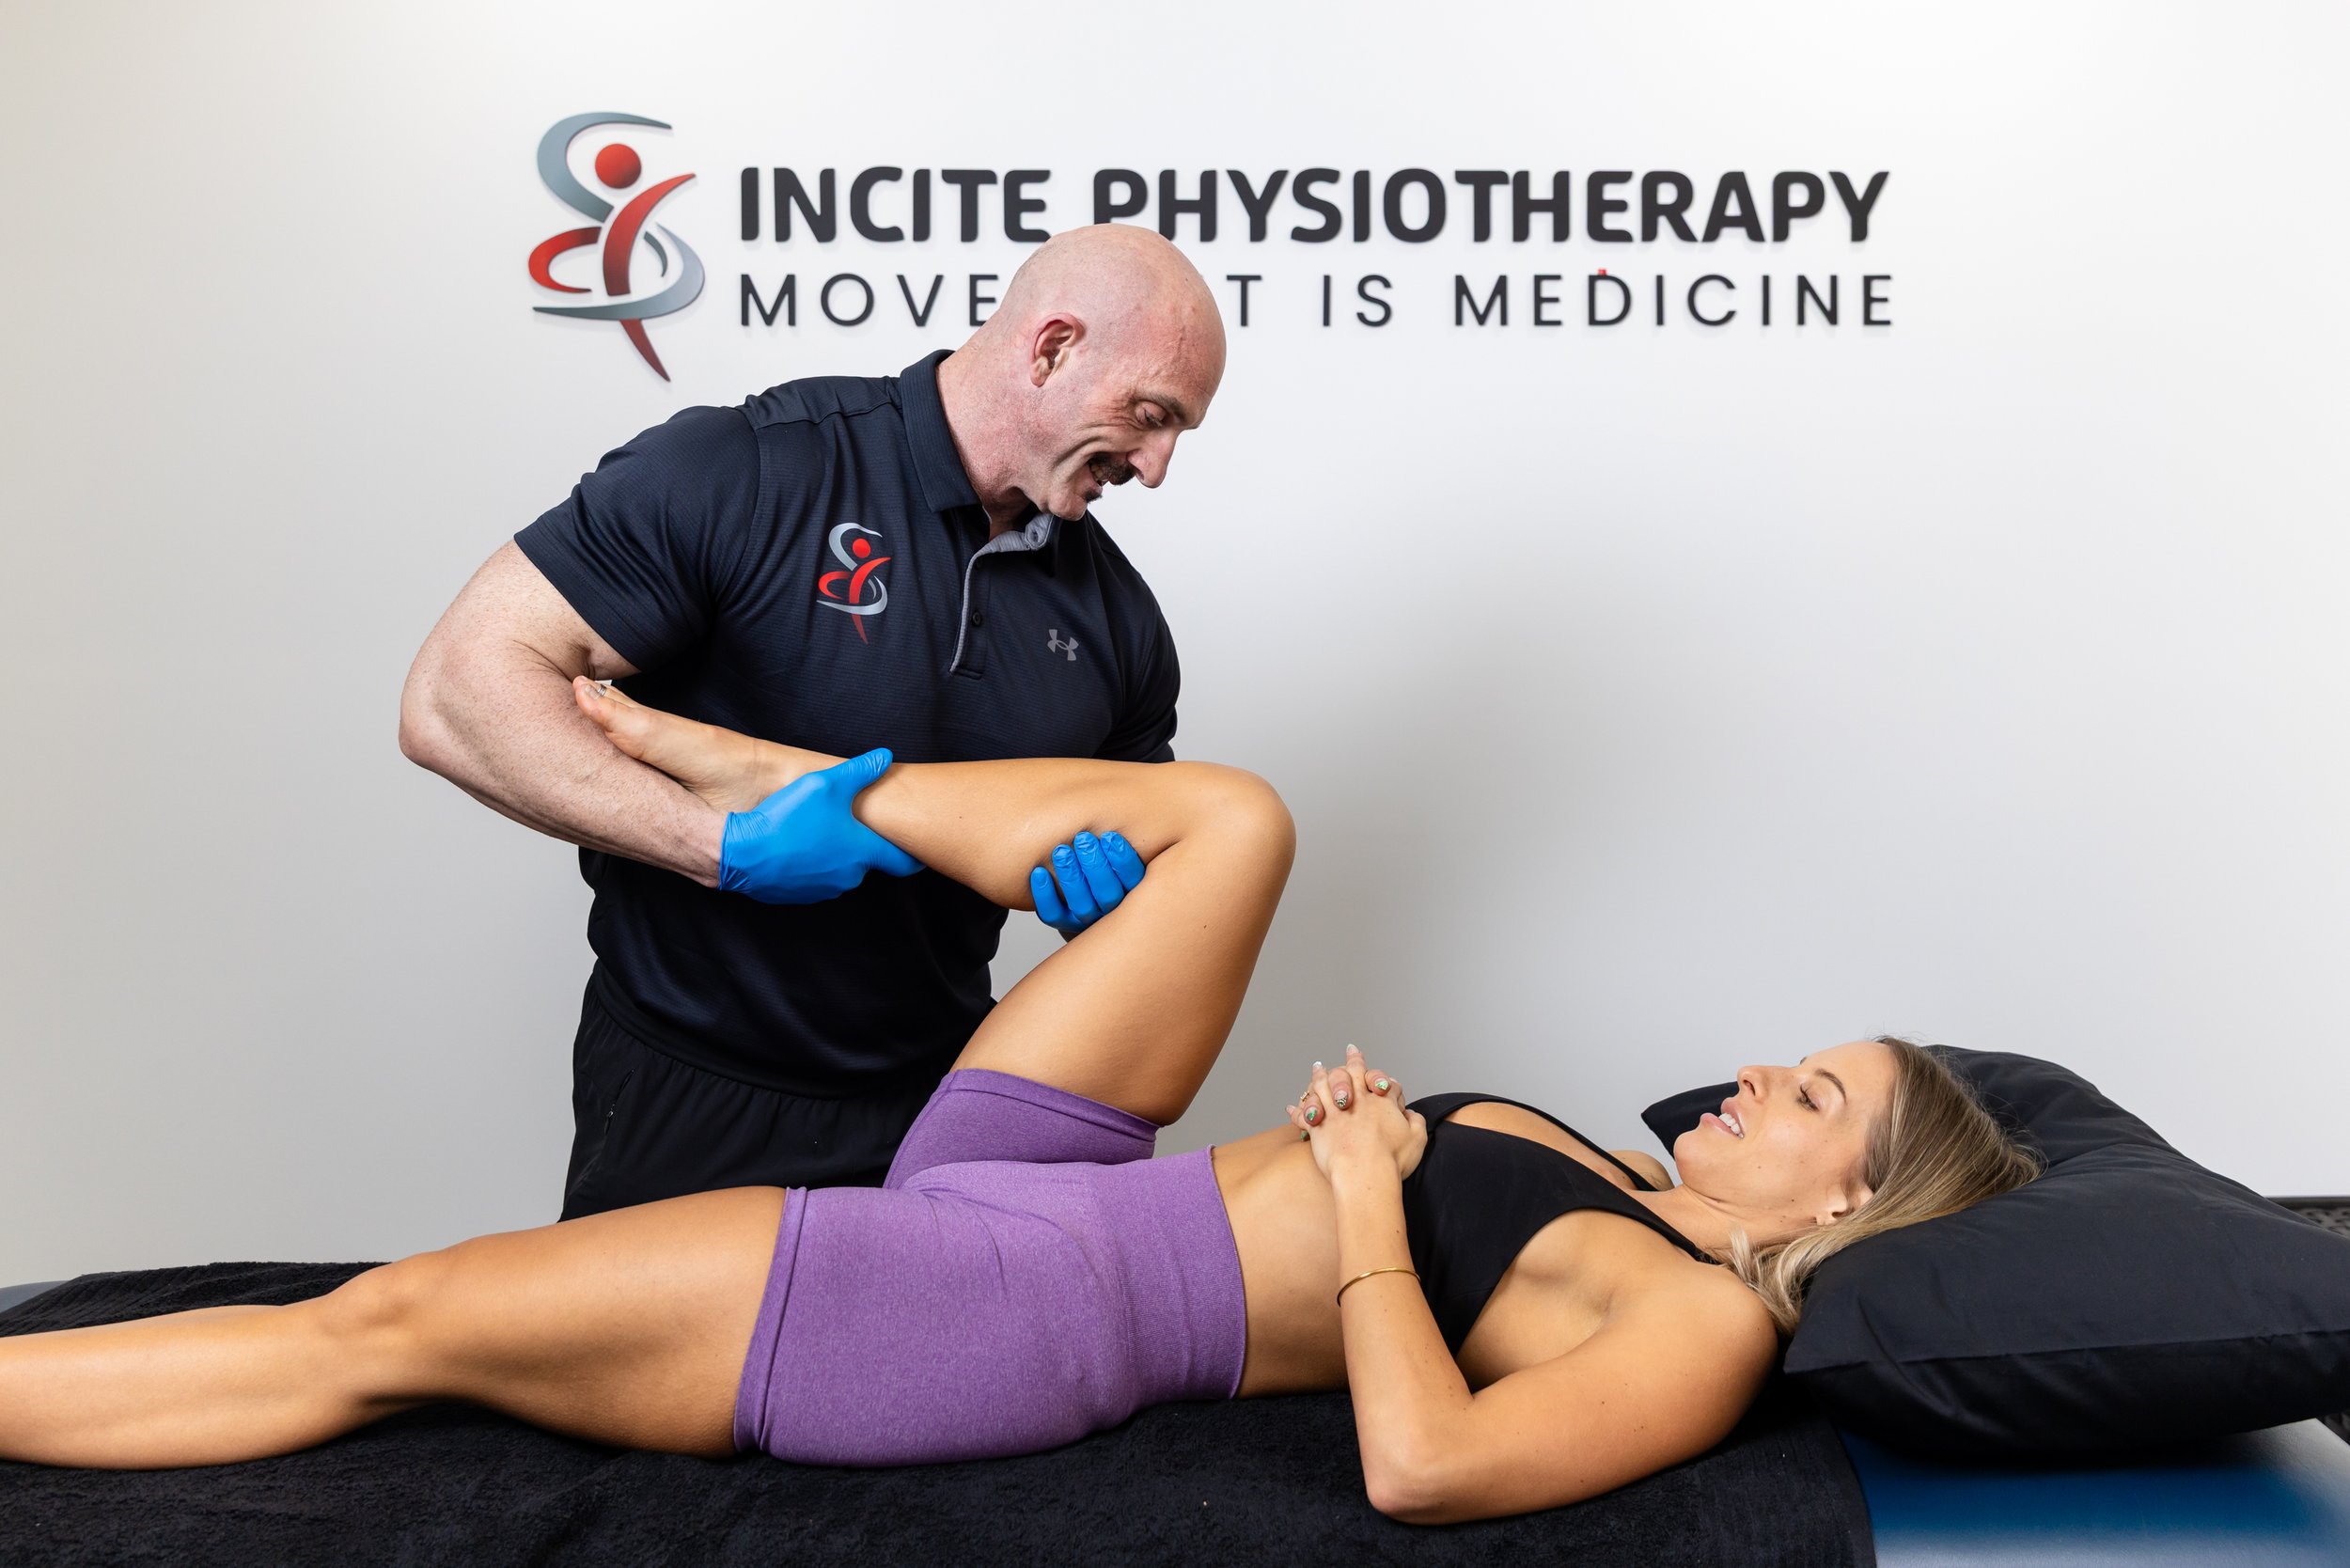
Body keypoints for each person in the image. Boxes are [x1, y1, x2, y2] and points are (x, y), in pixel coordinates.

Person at [0, 690, 2040, 1520]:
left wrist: (1356, 1197)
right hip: (1051, 1180)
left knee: (395, 1325)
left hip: (995, 1313)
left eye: (1809, 1094)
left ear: (1844, 1196)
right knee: (1228, 826)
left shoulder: (1695, 1323)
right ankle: (738, 774)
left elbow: (1426, 1472)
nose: (1758, 1075)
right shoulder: (1617, 1176)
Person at [398, 224, 1228, 1216]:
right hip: (688, 1090)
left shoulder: (1118, 623)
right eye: (1149, 415)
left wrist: (1117, 906)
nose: (1157, 465)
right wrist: (720, 845)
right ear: (1051, 348)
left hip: (936, 1115)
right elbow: (458, 689)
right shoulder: (750, 473)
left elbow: (1155, 855)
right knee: (646, 1378)